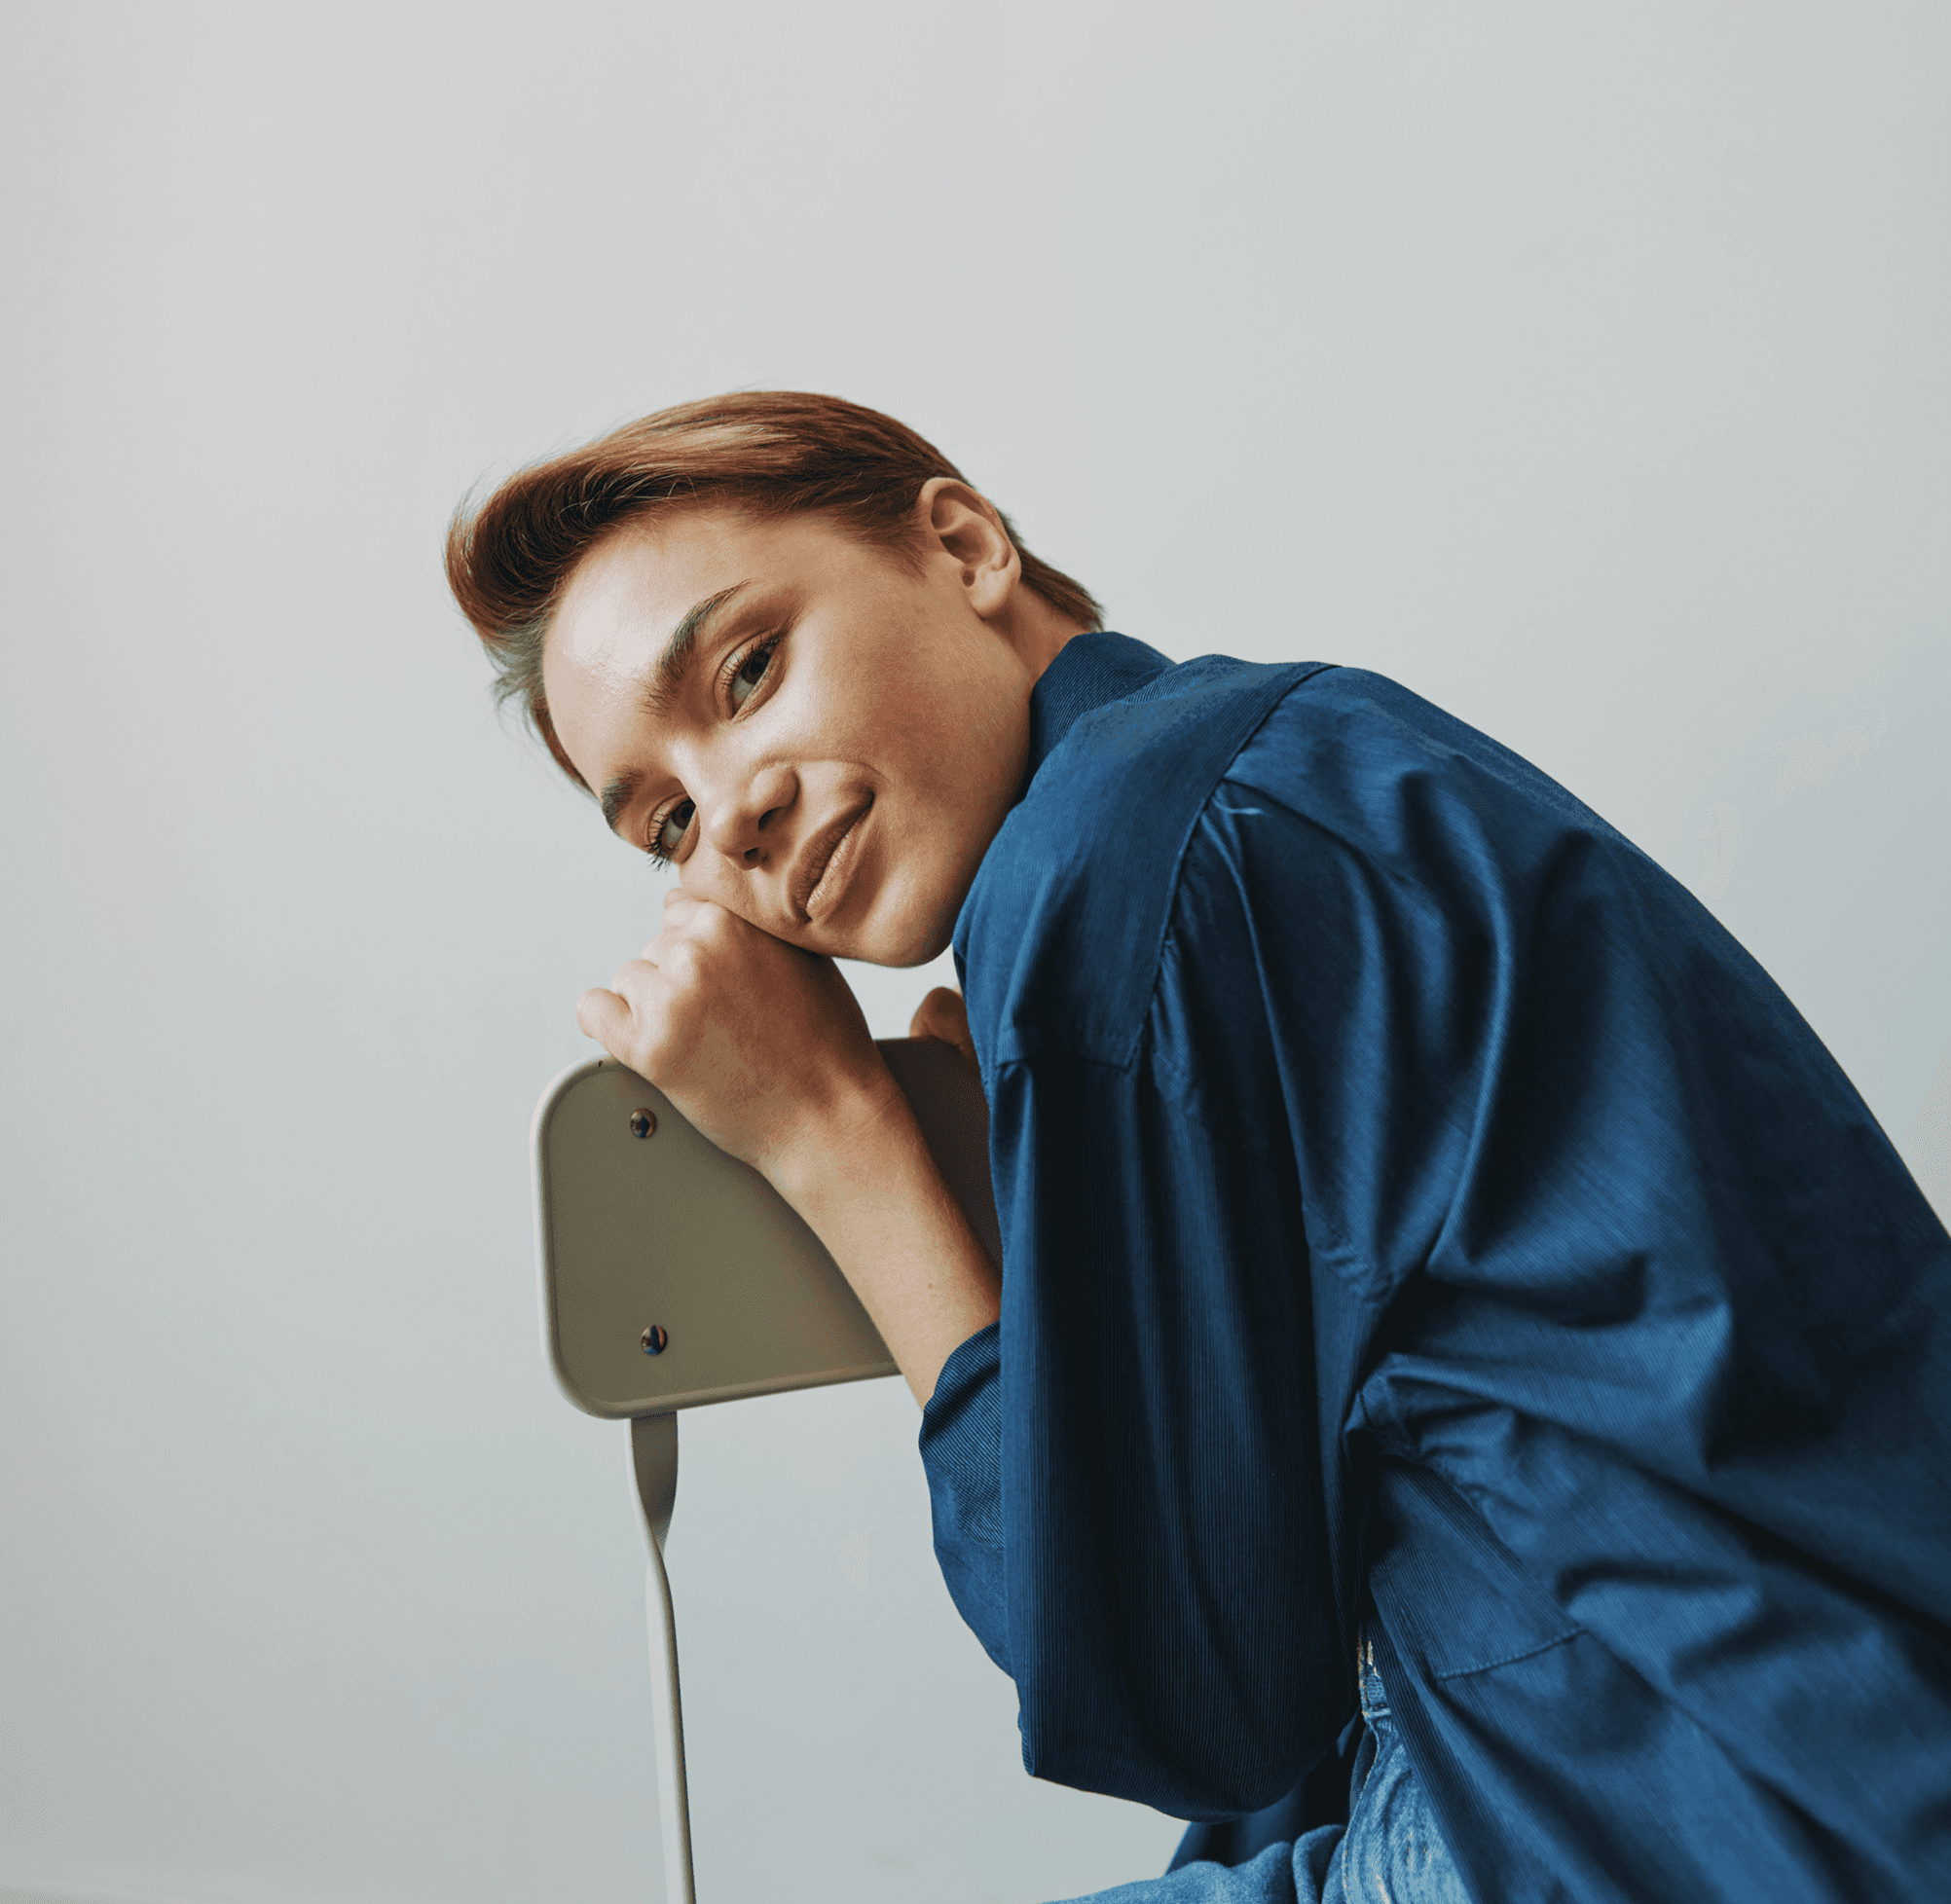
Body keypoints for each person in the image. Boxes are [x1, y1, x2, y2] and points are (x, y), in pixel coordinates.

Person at [446, 390, 1951, 1904]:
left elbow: (1193, 1707)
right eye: (665, 826)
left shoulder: (1101, 873)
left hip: (1673, 1804)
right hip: (1842, 1740)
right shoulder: (1294, 747)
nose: (734, 815)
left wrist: (839, 1139)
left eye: (749, 670)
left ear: (962, 546)